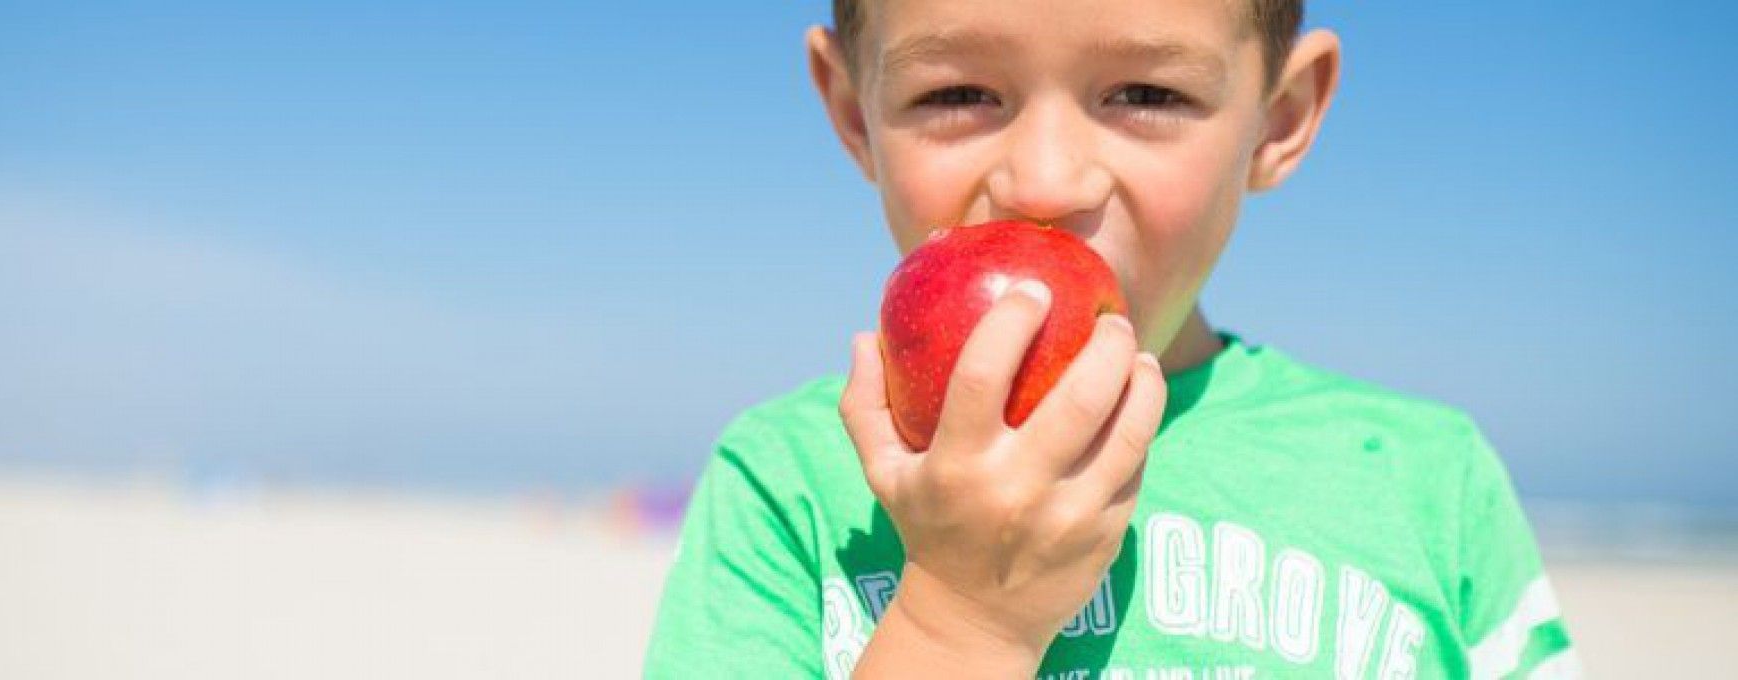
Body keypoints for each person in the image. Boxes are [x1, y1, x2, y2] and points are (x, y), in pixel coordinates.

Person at [645, 1, 1577, 677]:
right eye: (959, 91)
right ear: (855, 112)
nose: (1047, 183)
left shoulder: (1426, 478)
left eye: (1144, 92)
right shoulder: (789, 483)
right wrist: (963, 619)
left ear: (1280, 119)